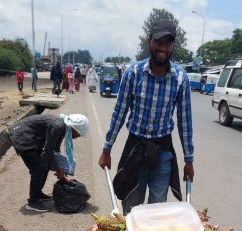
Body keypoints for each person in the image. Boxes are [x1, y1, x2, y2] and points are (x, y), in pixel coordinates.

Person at [98, 19, 194, 215]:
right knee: (132, 207)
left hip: (163, 150)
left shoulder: (181, 78)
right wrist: (106, 149)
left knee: (158, 209)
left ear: (173, 45)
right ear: (149, 41)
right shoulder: (133, 73)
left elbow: (185, 122)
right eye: (159, 42)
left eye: (168, 43)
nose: (163, 48)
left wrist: (189, 159)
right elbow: (119, 112)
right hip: (136, 148)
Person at [8, 113, 89, 212]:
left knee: (44, 164)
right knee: (38, 169)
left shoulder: (64, 127)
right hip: (22, 136)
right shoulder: (58, 126)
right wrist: (59, 170)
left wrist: (61, 169)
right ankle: (33, 202)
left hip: (32, 137)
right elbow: (48, 151)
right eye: (79, 134)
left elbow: (55, 149)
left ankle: (37, 194)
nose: (77, 137)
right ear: (74, 128)